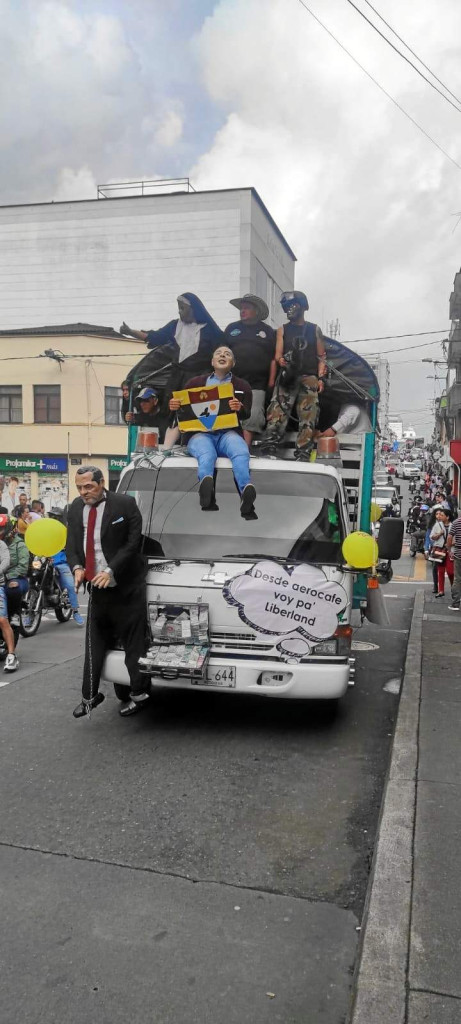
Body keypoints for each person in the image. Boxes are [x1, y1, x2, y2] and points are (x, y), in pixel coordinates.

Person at [66, 466, 149, 718]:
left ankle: (138, 694)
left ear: (101, 483)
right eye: (79, 487)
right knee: (94, 642)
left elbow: (133, 544)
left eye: (88, 486)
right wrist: (78, 567)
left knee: (134, 644)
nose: (84, 492)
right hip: (97, 588)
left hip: (126, 586)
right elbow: (72, 544)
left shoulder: (125, 504)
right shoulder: (76, 508)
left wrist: (111, 570)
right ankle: (90, 696)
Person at [169, 346, 256, 516]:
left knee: (240, 451)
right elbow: (182, 412)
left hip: (228, 433)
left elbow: (246, 414)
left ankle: (246, 490)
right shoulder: (193, 383)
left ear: (233, 363)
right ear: (212, 362)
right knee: (207, 454)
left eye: (228, 354)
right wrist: (173, 406)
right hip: (200, 434)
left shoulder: (242, 386)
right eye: (218, 353)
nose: (223, 355)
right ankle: (205, 487)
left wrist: (240, 407)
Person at [262, 291, 327, 459]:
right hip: (287, 376)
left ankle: (303, 453)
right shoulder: (282, 330)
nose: (289, 309)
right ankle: (270, 448)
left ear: (301, 306)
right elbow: (277, 355)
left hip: (309, 377)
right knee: (277, 413)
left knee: (309, 416)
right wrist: (282, 361)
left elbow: (321, 357)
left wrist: (320, 378)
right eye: (286, 307)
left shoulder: (314, 329)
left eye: (292, 305)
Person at [224, 294, 276, 445]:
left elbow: (274, 358)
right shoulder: (231, 328)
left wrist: (271, 382)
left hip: (257, 383)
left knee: (252, 416)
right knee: (227, 414)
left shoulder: (268, 331)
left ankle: (243, 449)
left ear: (257, 311)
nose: (242, 310)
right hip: (231, 381)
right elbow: (222, 352)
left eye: (247, 307)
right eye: (241, 308)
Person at [48, 508, 84, 627]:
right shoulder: (46, 531)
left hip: (61, 563)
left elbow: (73, 547)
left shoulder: (66, 531)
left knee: (69, 585)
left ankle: (75, 611)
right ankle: (30, 612)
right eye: (51, 516)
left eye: (55, 517)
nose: (52, 519)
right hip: (45, 561)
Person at [0, 514, 25, 673]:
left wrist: (7, 576)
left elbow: (10, 563)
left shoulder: (14, 544)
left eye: (2, 528)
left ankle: (11, 655)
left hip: (13, 578)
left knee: (3, 619)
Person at [429, 509, 453, 599]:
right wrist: (439, 534)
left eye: (442, 515)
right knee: (440, 571)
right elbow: (431, 537)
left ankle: (453, 588)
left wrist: (451, 543)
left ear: (447, 517)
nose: (440, 516)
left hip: (450, 550)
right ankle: (441, 590)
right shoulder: (437, 525)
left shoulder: (453, 526)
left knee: (450, 572)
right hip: (439, 550)